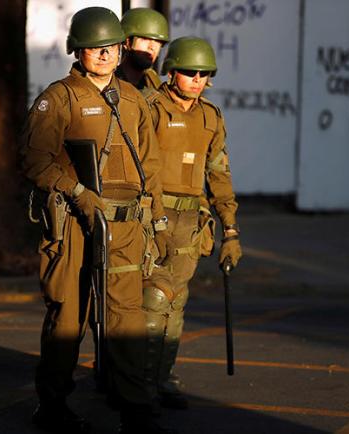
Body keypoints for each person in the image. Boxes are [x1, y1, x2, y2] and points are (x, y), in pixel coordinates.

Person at [19, 7, 175, 434]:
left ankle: (137, 412)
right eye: (94, 48)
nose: (104, 55)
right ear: (78, 51)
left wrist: (157, 223)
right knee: (68, 316)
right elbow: (35, 161)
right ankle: (52, 407)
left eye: (111, 47)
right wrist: (79, 193)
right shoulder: (60, 97)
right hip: (72, 223)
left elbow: (151, 166)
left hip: (124, 227)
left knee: (125, 317)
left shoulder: (133, 99)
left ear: (121, 48)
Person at [141, 37, 242, 409]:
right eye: (189, 72)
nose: (196, 79)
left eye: (204, 73)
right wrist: (150, 218)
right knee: (153, 301)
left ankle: (162, 378)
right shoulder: (150, 108)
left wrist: (230, 230)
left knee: (177, 303)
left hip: (190, 219)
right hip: (152, 215)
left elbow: (219, 175)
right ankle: (141, 386)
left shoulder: (210, 117)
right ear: (172, 71)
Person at [116, 8, 169, 91]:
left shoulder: (155, 85)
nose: (152, 47)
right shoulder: (109, 83)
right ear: (128, 42)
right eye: (145, 39)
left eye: (158, 42)